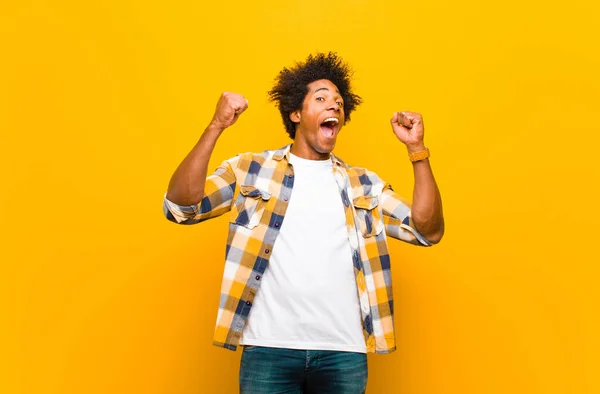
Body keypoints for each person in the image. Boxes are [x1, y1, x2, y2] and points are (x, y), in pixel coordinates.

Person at [163, 52, 444, 394]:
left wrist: (417, 149)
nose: (334, 107)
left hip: (344, 352)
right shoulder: (250, 170)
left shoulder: (363, 184)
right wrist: (216, 126)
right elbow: (182, 206)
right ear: (296, 113)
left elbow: (427, 230)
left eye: (339, 103)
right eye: (322, 99)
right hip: (268, 348)